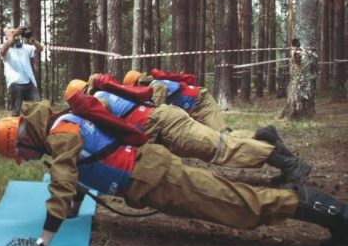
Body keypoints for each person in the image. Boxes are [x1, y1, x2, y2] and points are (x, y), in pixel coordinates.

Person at [0, 100, 347, 246]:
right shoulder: (62, 126)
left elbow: (65, 180)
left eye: (20, 154)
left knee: (241, 207)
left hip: (159, 178)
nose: (23, 160)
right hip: (153, 175)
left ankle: (335, 216)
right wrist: (72, 210)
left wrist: (42, 241)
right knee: (235, 204)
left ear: (24, 138)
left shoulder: (62, 134)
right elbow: (82, 176)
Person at [64, 77, 311, 186]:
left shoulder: (100, 101)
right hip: (165, 126)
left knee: (218, 148)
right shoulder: (106, 93)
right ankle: (268, 145)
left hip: (168, 126)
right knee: (218, 143)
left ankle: (290, 164)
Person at [123, 68, 225, 132]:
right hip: (191, 107)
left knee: (221, 134)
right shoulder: (153, 86)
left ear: (139, 83)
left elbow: (156, 112)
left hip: (201, 102)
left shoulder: (156, 86)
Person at [0, 26, 43, 116]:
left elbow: (40, 49)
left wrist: (31, 38)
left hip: (29, 82)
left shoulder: (25, 47)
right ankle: (13, 128)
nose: (15, 33)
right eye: (11, 32)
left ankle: (32, 128)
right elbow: (3, 50)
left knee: (36, 108)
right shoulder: (5, 48)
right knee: (16, 111)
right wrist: (13, 36)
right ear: (6, 36)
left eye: (16, 32)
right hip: (15, 83)